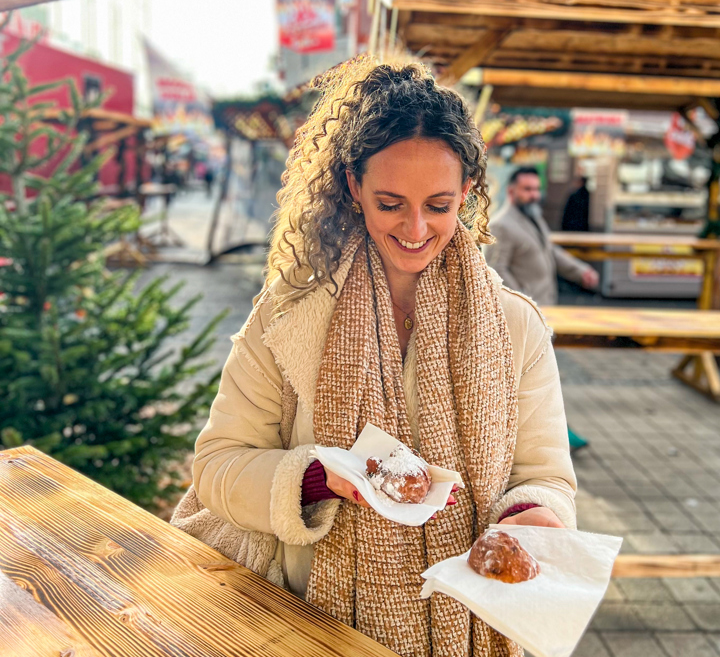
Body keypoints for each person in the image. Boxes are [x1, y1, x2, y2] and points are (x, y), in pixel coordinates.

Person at [181, 58, 576, 657]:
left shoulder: (515, 324)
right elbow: (215, 467)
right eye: (391, 202)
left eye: (439, 205)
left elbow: (546, 477)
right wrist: (316, 477)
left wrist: (532, 514)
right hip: (308, 618)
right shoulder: (288, 315)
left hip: (470, 622)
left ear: (467, 192)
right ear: (352, 185)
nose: (416, 228)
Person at [485, 167, 599, 306]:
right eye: (527, 189)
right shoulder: (500, 225)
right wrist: (523, 303)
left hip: (545, 307)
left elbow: (549, 250)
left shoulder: (534, 217)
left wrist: (581, 271)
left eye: (536, 189)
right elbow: (496, 272)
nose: (534, 195)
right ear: (511, 191)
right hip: (526, 315)